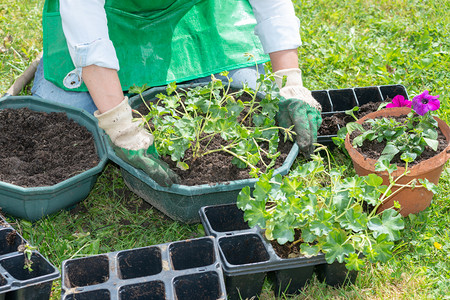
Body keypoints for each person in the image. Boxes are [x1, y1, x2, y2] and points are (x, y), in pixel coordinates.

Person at [32, 0, 322, 187]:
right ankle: (64, 53)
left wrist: (289, 82)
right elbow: (84, 19)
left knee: (252, 93)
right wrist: (119, 124)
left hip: (194, 14)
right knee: (62, 121)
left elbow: (271, 5)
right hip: (109, 16)